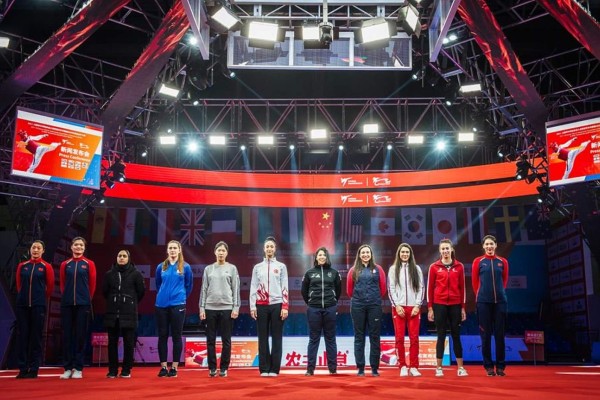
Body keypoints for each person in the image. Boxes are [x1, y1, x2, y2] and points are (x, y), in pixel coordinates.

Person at [427, 238, 468, 377]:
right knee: (441, 335)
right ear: (440, 251)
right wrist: (430, 307)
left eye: (447, 248)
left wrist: (463, 307)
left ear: (451, 250)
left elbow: (463, 288)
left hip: (455, 305)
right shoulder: (434, 267)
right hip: (439, 305)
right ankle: (439, 368)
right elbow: (430, 288)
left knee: (456, 335)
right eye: (443, 249)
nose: (445, 251)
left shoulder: (460, 266)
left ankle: (461, 368)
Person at [199, 241, 241, 378]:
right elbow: (203, 289)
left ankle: (223, 368)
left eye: (223, 250)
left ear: (227, 253)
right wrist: (202, 308)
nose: (221, 252)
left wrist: (236, 307)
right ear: (215, 252)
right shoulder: (208, 269)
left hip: (227, 308)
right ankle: (212, 368)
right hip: (210, 307)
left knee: (226, 340)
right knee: (210, 340)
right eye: (219, 250)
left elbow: (236, 289)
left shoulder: (232, 269)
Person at [102, 250, 145, 379]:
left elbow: (141, 292)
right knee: (112, 343)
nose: (121, 258)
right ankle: (112, 370)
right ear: (116, 258)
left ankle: (126, 369)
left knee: (129, 342)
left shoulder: (136, 274)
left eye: (124, 256)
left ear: (129, 258)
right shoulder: (109, 274)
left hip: (129, 313)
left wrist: (130, 302)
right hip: (112, 313)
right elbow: (105, 292)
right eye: (119, 256)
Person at [249, 236, 289, 377]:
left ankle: (274, 369)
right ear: (264, 249)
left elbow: (285, 286)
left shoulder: (281, 267)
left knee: (277, 337)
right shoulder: (257, 268)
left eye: (272, 246)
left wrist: (285, 306)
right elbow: (253, 286)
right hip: (261, 306)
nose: (269, 249)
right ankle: (264, 368)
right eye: (267, 247)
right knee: (263, 337)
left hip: (277, 305)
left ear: (275, 249)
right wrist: (252, 307)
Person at [15, 240, 54, 379]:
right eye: (33, 247)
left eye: (38, 248)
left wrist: (40, 299)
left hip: (38, 305)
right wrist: (23, 298)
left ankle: (34, 368)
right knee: (23, 336)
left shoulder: (46, 266)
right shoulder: (22, 266)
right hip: (22, 306)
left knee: (36, 337)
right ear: (30, 250)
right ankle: (23, 367)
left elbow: (49, 287)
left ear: (43, 251)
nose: (36, 250)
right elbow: (19, 285)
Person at [472, 235, 509, 377]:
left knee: (500, 335)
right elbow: (475, 283)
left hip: (500, 302)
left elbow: (504, 281)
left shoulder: (503, 262)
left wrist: (500, 295)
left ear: (496, 245)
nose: (489, 247)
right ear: (483, 246)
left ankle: (500, 366)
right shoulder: (478, 262)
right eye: (487, 244)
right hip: (483, 303)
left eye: (491, 244)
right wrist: (481, 296)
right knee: (485, 336)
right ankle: (488, 366)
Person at [59, 236, 96, 379]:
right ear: (71, 247)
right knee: (67, 335)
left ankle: (78, 367)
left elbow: (92, 285)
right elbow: (62, 284)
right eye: (76, 245)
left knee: (80, 336)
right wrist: (67, 297)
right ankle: (67, 368)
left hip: (83, 304)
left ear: (84, 248)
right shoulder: (64, 264)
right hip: (67, 304)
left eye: (81, 245)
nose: (78, 247)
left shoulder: (89, 264)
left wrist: (86, 299)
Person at [346, 244, 386, 377]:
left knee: (375, 337)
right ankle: (361, 368)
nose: (365, 255)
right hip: (358, 306)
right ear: (359, 255)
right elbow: (349, 290)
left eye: (367, 252)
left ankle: (374, 368)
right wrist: (360, 299)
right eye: (363, 253)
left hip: (374, 306)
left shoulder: (378, 269)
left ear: (371, 254)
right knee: (359, 337)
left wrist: (373, 299)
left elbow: (383, 288)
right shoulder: (353, 270)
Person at [301, 247, 342, 376]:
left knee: (330, 339)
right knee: (314, 339)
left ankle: (332, 368)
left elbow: (338, 291)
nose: (322, 257)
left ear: (327, 257)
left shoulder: (334, 273)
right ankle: (310, 369)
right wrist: (311, 303)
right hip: (314, 308)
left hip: (330, 308)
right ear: (316, 257)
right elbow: (304, 291)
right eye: (319, 255)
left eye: (324, 255)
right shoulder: (309, 273)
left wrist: (333, 302)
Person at [155, 240, 193, 378]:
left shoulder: (186, 267)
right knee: (162, 336)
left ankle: (175, 367)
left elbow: (189, 285)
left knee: (176, 336)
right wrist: (163, 296)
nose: (172, 250)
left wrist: (181, 297)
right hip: (161, 305)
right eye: (170, 248)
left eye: (174, 248)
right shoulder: (161, 267)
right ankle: (164, 367)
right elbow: (158, 284)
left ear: (179, 250)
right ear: (167, 250)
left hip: (178, 305)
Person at [388, 243, 424, 377]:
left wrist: (418, 305)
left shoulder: (417, 269)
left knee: (414, 338)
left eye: (407, 252)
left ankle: (414, 366)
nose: (404, 254)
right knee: (399, 338)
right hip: (398, 308)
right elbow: (391, 288)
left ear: (410, 254)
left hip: (414, 308)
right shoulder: (393, 269)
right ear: (399, 253)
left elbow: (421, 288)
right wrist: (396, 305)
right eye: (402, 252)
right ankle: (402, 365)